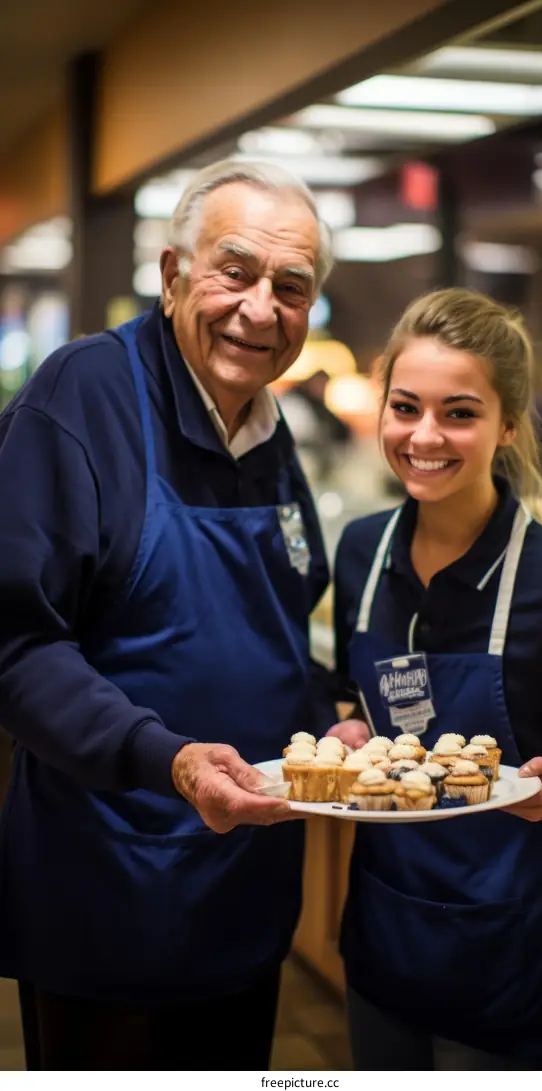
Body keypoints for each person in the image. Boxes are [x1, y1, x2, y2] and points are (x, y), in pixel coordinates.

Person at [0, 160, 334, 1070]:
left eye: (292, 287)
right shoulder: (81, 398)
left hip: (245, 889)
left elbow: (279, 620)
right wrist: (174, 760)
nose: (261, 308)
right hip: (108, 887)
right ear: (171, 272)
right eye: (236, 270)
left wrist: (331, 716)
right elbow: (19, 647)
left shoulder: (271, 429)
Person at [327, 288, 542, 1071]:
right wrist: (353, 727)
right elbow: (369, 703)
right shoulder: (361, 553)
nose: (424, 436)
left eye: (460, 412)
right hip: (382, 933)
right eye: (405, 406)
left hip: (507, 956)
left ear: (508, 425)